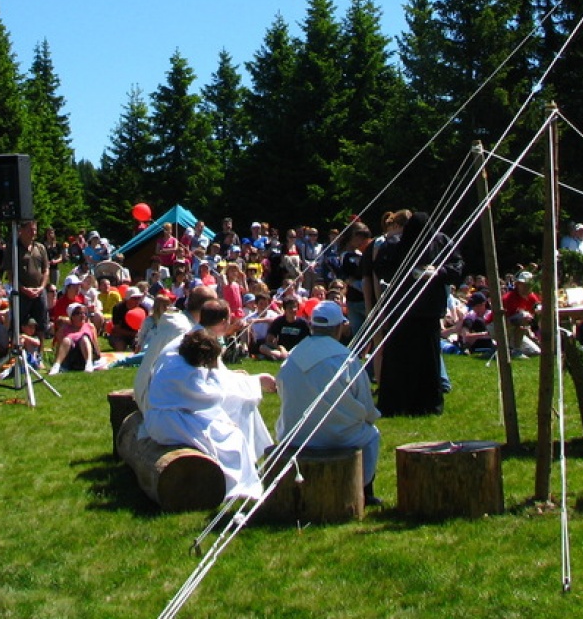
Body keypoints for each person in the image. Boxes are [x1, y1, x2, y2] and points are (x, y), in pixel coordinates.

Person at [142, 325, 276, 498]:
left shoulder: (177, 360)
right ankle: (237, 487)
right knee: (232, 438)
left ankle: (244, 478)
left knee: (227, 428)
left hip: (170, 415)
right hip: (169, 422)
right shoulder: (184, 373)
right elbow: (213, 398)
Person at [274, 300, 382, 505]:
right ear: (339, 327)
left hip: (295, 434)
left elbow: (283, 391)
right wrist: (369, 418)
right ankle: (364, 492)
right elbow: (365, 402)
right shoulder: (346, 358)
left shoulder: (293, 355)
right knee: (371, 435)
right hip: (338, 436)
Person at [373, 211, 455, 416]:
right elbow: (381, 267)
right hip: (402, 312)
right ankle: (396, 403)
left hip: (428, 312)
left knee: (427, 361)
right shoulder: (395, 244)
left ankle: (427, 404)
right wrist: (408, 271)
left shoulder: (440, 242)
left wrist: (437, 272)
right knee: (399, 360)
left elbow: (457, 266)